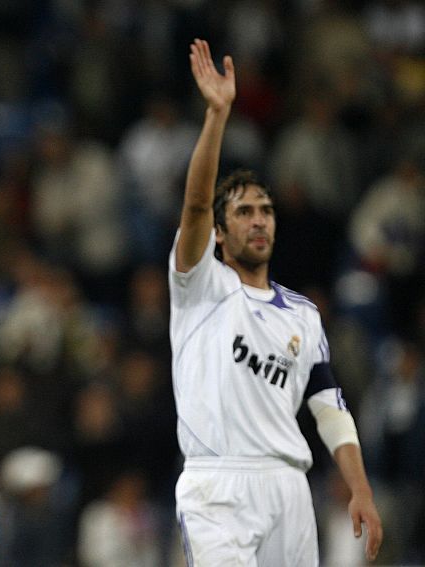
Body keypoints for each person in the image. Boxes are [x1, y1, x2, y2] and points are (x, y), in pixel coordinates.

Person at [168, 39, 383, 565]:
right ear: (219, 233)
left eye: (265, 210)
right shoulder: (200, 286)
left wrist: (360, 487)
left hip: (289, 485)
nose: (259, 219)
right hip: (217, 484)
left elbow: (330, 408)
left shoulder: (304, 315)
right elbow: (196, 205)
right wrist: (217, 115)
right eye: (243, 212)